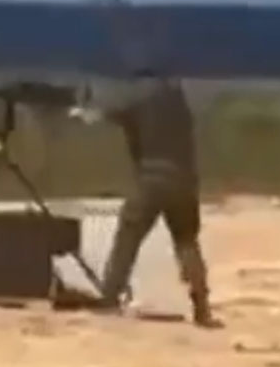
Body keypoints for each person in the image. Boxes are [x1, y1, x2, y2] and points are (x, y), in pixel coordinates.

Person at [70, 39, 220, 329]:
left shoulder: (140, 98)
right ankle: (202, 308)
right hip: (184, 182)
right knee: (187, 242)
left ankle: (110, 297)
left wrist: (84, 111)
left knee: (128, 234)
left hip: (152, 178)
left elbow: (106, 115)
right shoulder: (179, 102)